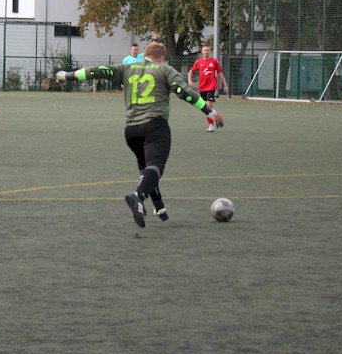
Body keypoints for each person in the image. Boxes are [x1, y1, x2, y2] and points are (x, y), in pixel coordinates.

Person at [55, 41, 224, 228]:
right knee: (156, 166)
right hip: (155, 125)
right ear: (161, 58)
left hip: (131, 130)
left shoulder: (127, 68)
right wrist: (209, 111)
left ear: (144, 55)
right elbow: (183, 92)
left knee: (147, 170)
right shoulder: (165, 69)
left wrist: (68, 75)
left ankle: (158, 206)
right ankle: (138, 196)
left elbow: (99, 70)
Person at [187, 44, 229, 132]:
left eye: (208, 50)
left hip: (211, 86)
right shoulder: (198, 61)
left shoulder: (214, 61)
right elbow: (191, 71)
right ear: (202, 52)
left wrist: (225, 85)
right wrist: (190, 81)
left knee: (208, 105)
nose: (206, 52)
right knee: (205, 107)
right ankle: (213, 120)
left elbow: (220, 73)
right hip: (202, 87)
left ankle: (213, 121)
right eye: (204, 50)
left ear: (210, 51)